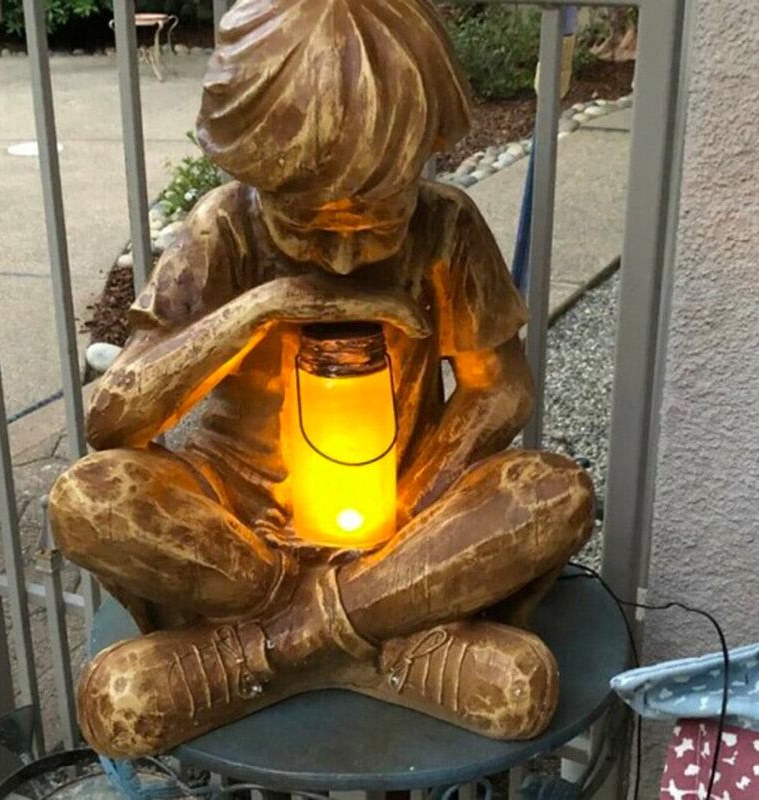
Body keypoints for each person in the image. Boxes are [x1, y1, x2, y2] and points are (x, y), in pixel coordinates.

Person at [50, 0, 594, 758]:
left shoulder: (445, 225)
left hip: (397, 522)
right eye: (306, 227)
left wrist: (412, 500)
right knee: (88, 499)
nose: (341, 260)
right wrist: (262, 308)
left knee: (553, 492)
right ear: (254, 176)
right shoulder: (225, 227)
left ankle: (264, 654)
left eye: (375, 225)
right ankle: (385, 642)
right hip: (238, 533)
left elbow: (500, 389)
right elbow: (114, 420)